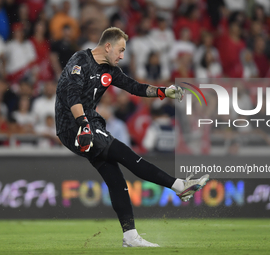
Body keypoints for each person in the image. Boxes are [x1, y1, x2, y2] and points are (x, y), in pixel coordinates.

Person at [55, 27, 209, 247]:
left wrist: (163, 91)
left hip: (90, 123)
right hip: (73, 124)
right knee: (125, 154)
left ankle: (130, 236)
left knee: (116, 179)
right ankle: (178, 185)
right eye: (120, 50)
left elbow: (134, 87)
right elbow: (71, 94)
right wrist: (83, 126)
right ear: (107, 46)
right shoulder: (80, 59)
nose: (122, 56)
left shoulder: (111, 70)